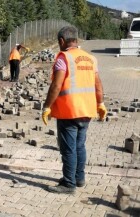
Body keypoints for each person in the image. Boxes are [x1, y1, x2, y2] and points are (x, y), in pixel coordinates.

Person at [42, 26, 107, 194]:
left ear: (62, 41)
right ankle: (79, 178)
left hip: (69, 111)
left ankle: (68, 184)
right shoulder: (91, 58)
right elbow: (98, 84)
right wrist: (101, 104)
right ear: (76, 40)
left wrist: (47, 106)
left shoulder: (64, 58)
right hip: (87, 110)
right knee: (80, 146)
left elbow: (56, 85)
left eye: (59, 43)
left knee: (68, 148)